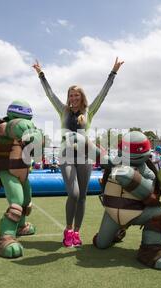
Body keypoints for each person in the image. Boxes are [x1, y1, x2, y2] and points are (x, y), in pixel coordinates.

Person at [33, 57, 124, 247]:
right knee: (73, 194)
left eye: (76, 95)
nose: (73, 98)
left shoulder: (89, 111)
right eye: (70, 95)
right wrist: (41, 74)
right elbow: (50, 94)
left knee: (82, 196)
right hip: (66, 155)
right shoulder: (63, 110)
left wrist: (113, 72)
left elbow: (103, 93)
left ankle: (76, 232)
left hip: (85, 157)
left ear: (81, 97)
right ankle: (68, 229)